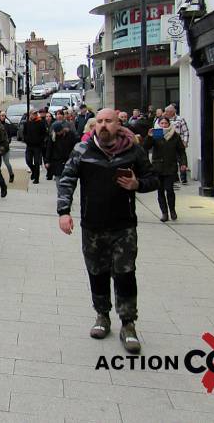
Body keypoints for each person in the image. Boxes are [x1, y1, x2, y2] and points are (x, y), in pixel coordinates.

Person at [56, 109, 158, 354]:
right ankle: (102, 315)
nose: (103, 125)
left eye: (108, 121)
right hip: (92, 224)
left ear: (118, 123)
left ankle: (128, 323)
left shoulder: (133, 150)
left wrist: (137, 184)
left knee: (125, 273)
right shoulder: (83, 150)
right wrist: (64, 211)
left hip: (124, 225)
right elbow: (67, 178)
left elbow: (153, 178)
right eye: (99, 121)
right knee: (97, 272)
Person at [143, 117, 187, 222]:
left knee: (170, 190)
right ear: (159, 124)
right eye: (161, 123)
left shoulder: (175, 136)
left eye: (165, 123)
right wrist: (149, 137)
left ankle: (172, 210)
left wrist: (183, 163)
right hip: (157, 168)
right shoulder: (156, 135)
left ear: (169, 124)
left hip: (170, 167)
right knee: (160, 191)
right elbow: (145, 147)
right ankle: (164, 213)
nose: (163, 125)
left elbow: (181, 151)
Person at [21, 110, 48, 184]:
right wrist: (26, 139)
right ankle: (33, 171)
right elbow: (24, 133)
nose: (35, 115)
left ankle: (36, 178)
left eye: (36, 114)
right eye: (33, 114)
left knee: (37, 162)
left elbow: (44, 133)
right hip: (29, 146)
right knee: (28, 160)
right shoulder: (27, 123)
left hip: (37, 146)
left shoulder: (40, 122)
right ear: (30, 115)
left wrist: (40, 141)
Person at [0, 110, 15, 184]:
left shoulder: (7, 124)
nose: (3, 117)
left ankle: (11, 174)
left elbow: (12, 133)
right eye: (2, 115)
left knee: (7, 162)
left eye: (4, 115)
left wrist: (7, 141)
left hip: (5, 147)